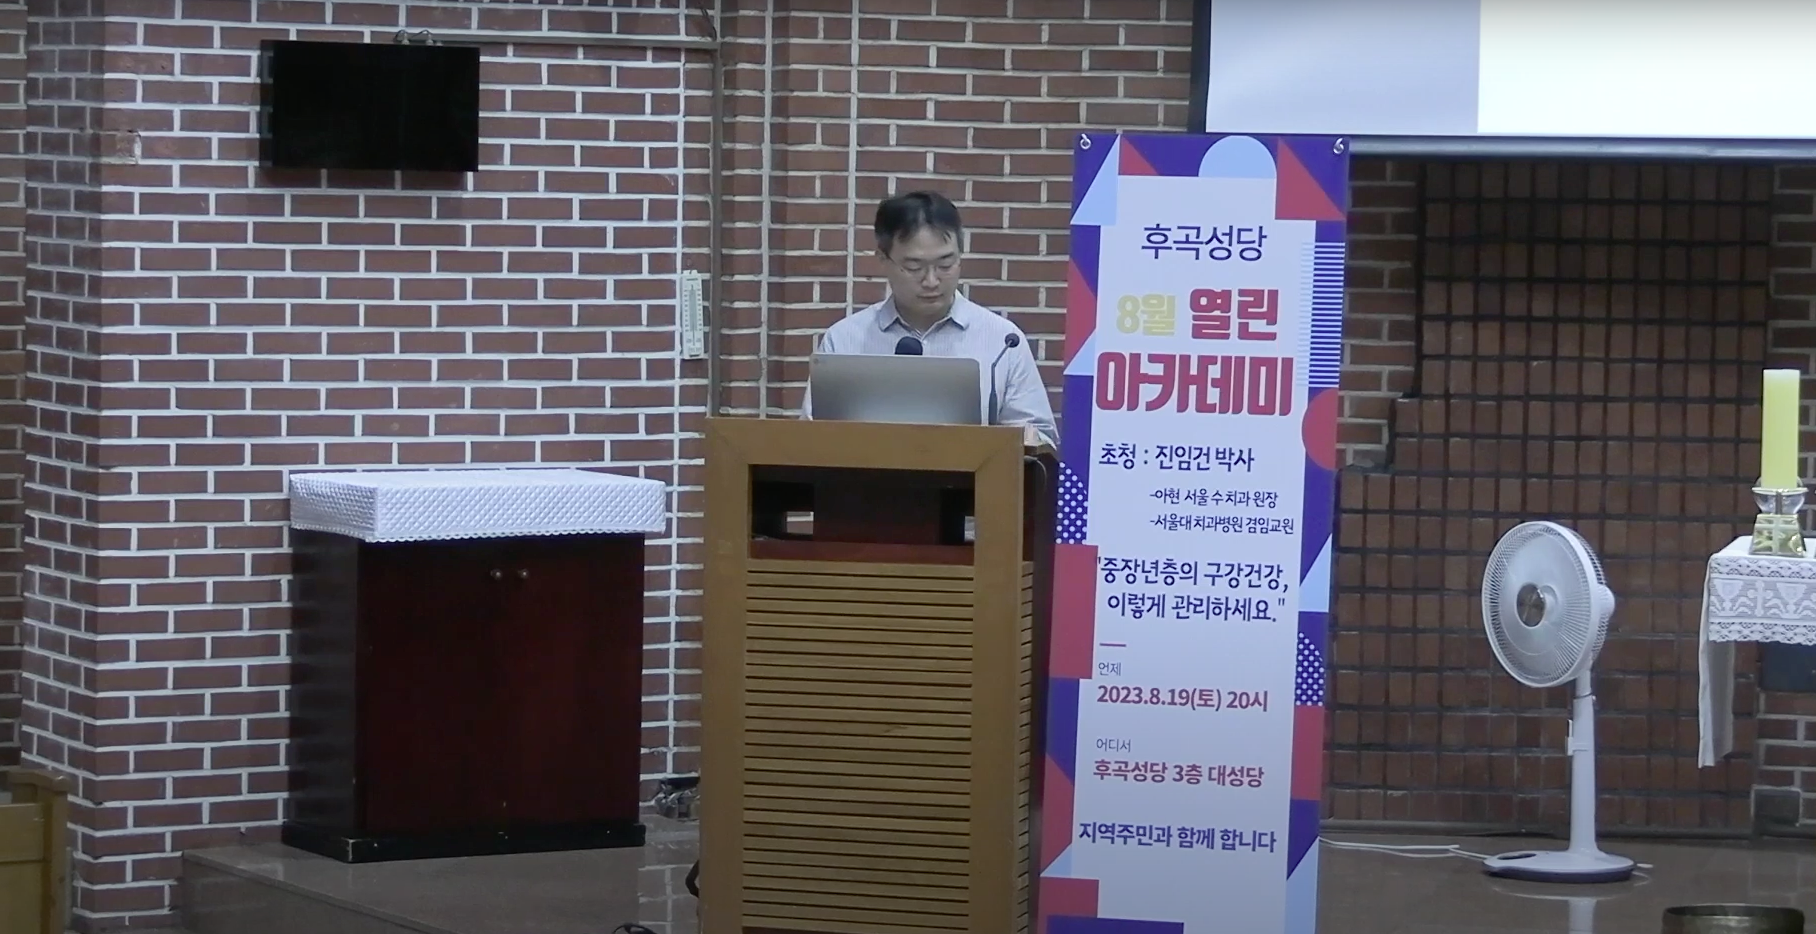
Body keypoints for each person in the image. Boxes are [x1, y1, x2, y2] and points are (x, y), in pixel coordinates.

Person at [802, 190, 1059, 448]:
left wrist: (1025, 441)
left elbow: (1042, 441)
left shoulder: (1003, 342)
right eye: (914, 267)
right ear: (883, 259)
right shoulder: (845, 340)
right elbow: (810, 441)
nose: (931, 281)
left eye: (945, 265)